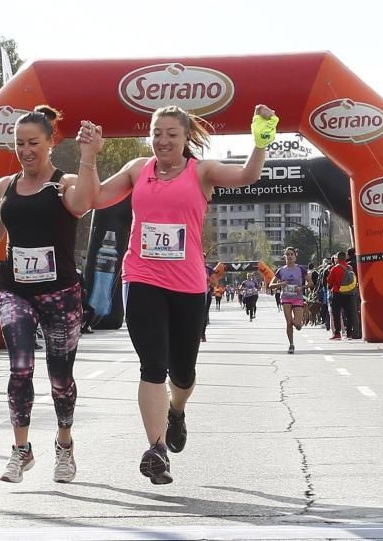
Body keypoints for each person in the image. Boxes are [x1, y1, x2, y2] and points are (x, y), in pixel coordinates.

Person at [91, 103, 276, 484]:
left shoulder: (201, 171)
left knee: (183, 372)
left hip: (188, 285)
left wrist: (261, 139)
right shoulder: (136, 170)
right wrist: (89, 156)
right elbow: (93, 198)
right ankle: (157, 449)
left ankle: (177, 409)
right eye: (157, 134)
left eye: (171, 135)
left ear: (186, 137)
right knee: (152, 366)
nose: (162, 141)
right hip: (141, 277)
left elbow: (247, 175)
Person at [0, 107, 102, 484]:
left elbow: (85, 203)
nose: (25, 150)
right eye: (19, 144)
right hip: (16, 289)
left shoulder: (64, 184)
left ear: (51, 143)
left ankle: (64, 444)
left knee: (59, 378)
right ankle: (21, 450)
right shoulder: (6, 186)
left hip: (60, 293)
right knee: (20, 367)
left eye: (34, 143)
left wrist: (89, 156)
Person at [269, 247, 311, 354]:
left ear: (295, 257)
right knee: (288, 323)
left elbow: (310, 283)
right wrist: (281, 284)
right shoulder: (281, 270)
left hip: (297, 297)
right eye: (287, 254)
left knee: (297, 325)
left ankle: (300, 318)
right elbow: (271, 285)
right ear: (285, 257)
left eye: (292, 254)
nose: (290, 256)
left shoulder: (301, 269)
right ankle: (291, 344)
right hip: (286, 298)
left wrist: (301, 288)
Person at [326, 251, 358, 340]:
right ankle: (349, 333)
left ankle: (337, 333)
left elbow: (329, 282)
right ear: (345, 258)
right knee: (349, 313)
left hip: (337, 293)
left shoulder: (335, 268)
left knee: (336, 313)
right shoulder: (349, 267)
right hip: (349, 293)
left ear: (337, 258)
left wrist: (330, 287)